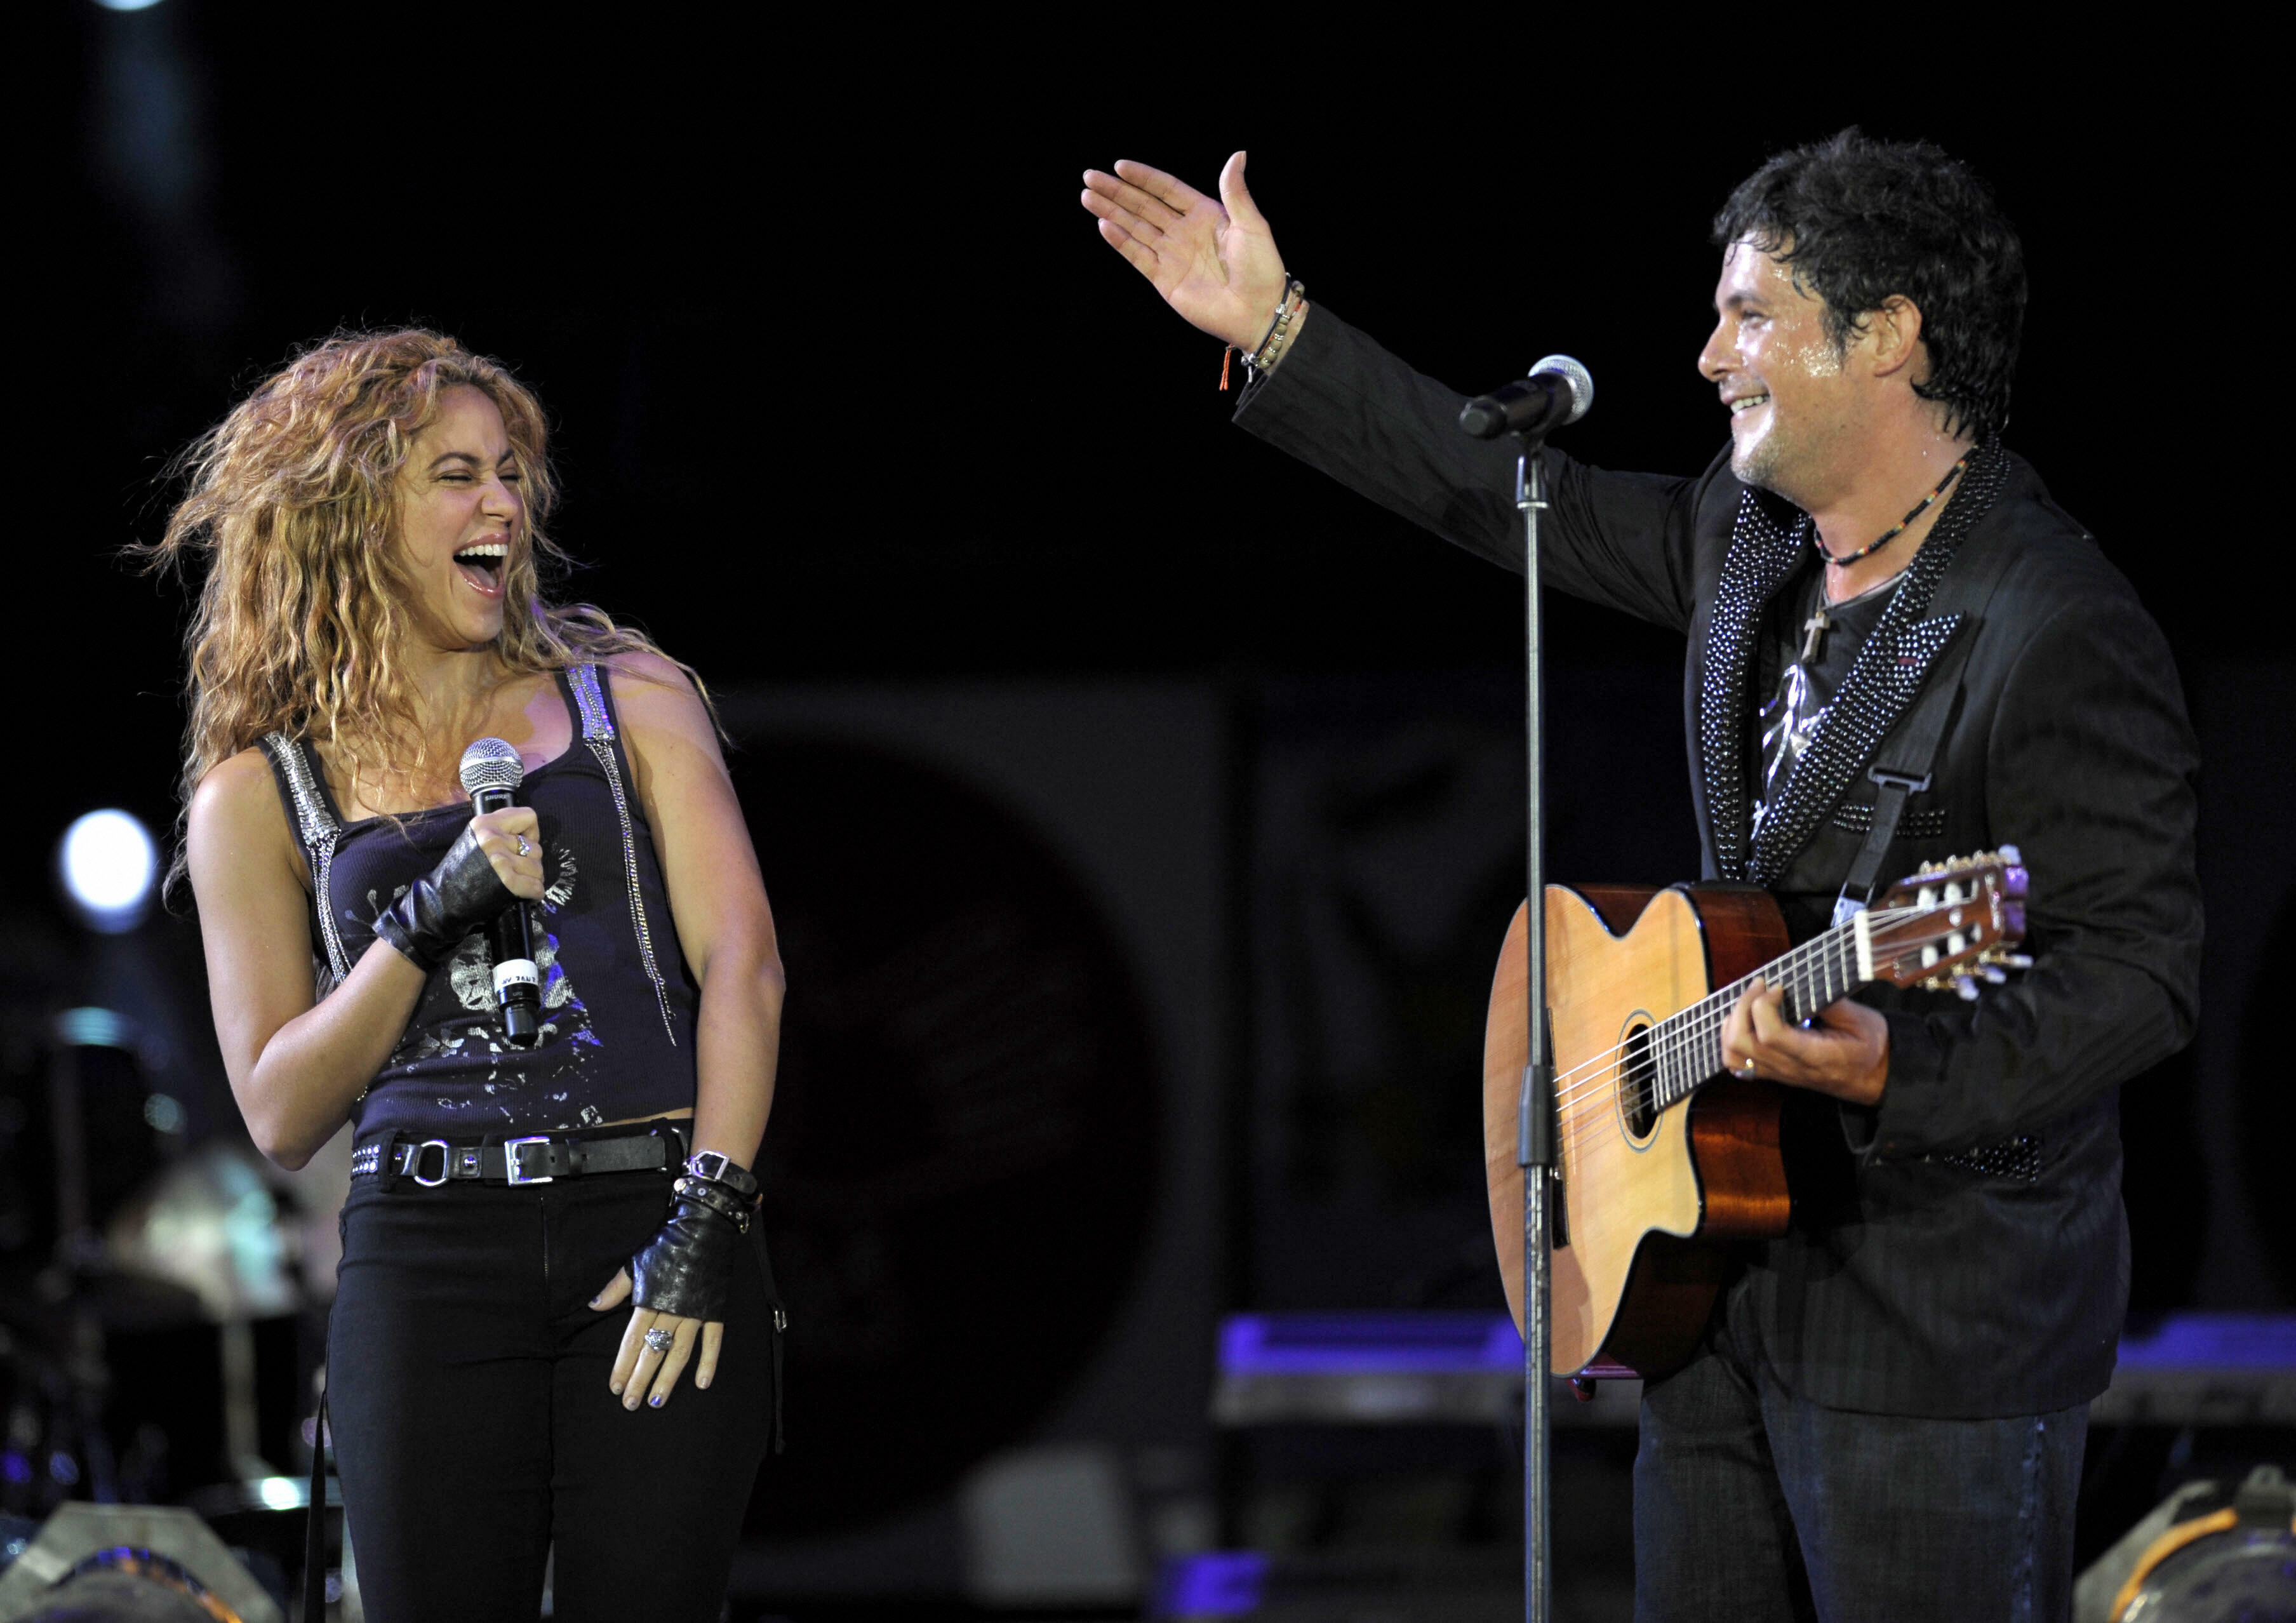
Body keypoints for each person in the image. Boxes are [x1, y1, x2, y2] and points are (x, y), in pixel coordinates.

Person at [1081, 132, 2202, 1620]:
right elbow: (1500, 494)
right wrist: (1278, 332)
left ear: (1884, 335)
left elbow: (2136, 973)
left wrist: (1897, 1069)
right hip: (1705, 1283)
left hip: (1932, 1327)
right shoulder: (1746, 542)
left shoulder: (2050, 622)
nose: (1706, 356)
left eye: (1749, 317)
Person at [158, 330, 785, 1622]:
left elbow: (746, 968)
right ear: (348, 512)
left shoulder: (626, 695)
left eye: (509, 473)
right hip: (425, 1256)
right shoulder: (257, 795)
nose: (500, 503)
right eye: (455, 476)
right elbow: (279, 1110)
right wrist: (422, 921)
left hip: (651, 1222)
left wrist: (709, 1219)